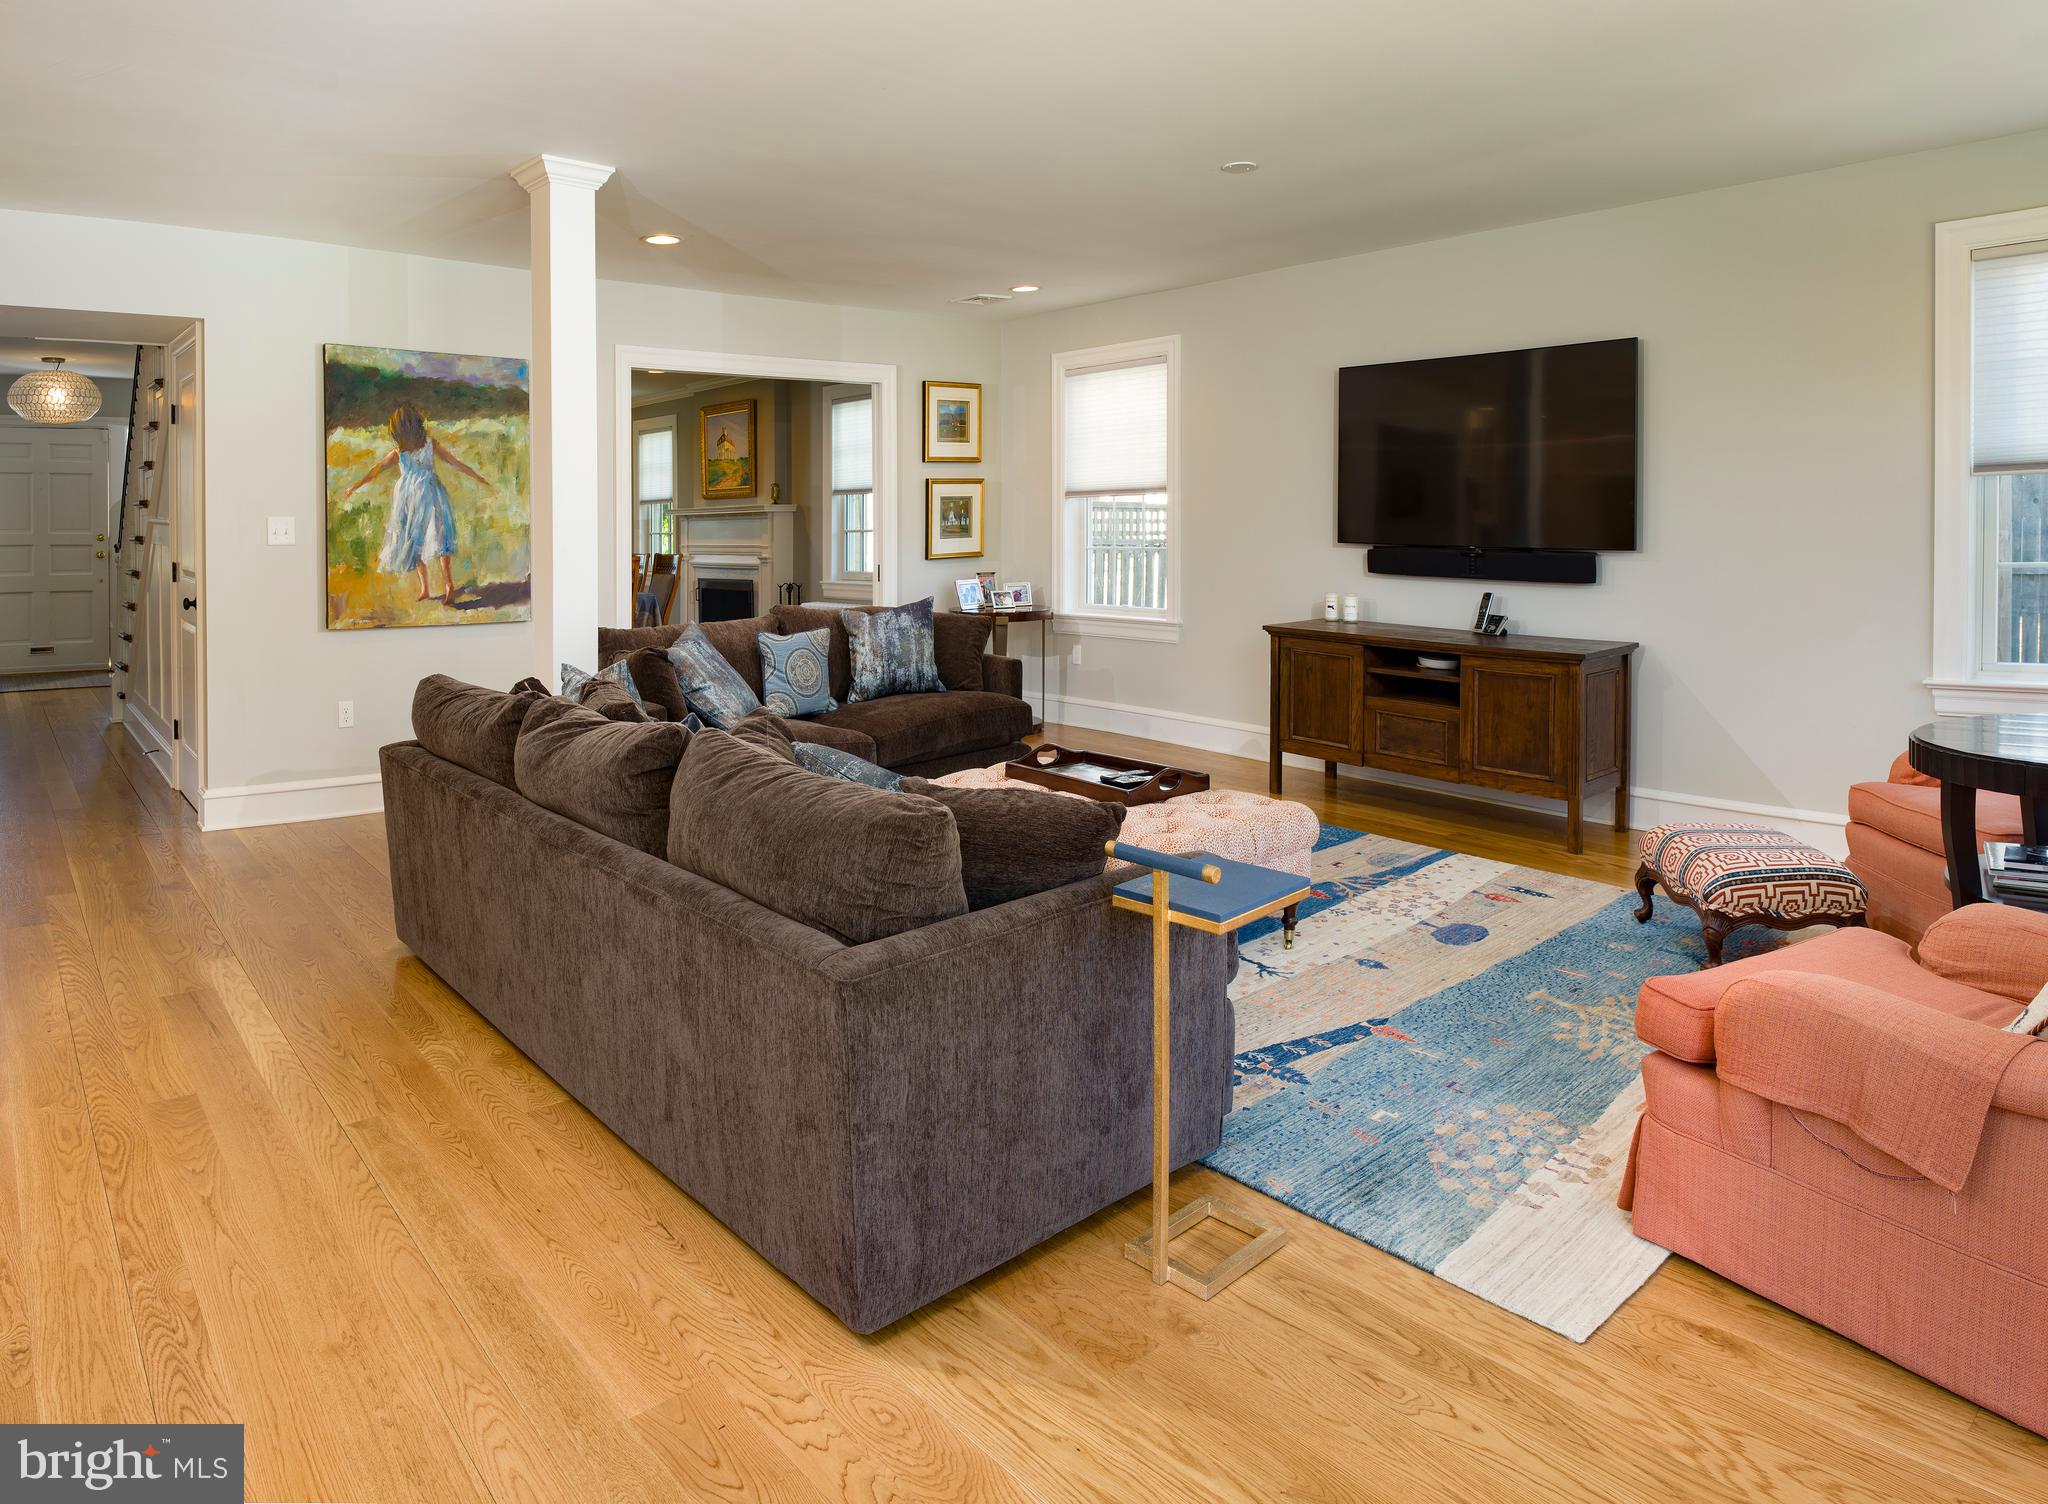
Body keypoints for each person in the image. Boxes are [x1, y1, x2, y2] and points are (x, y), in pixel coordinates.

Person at [340, 402, 489, 602]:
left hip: (414, 498)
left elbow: (376, 471)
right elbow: (454, 462)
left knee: (422, 538)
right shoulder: (418, 447)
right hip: (424, 496)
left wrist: (354, 486)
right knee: (432, 538)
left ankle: (434, 587)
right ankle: (440, 585)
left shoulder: (405, 451)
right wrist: (478, 477)